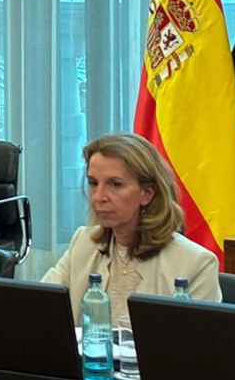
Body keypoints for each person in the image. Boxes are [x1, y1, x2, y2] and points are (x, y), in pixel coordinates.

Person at [42, 132, 221, 324]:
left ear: (147, 193)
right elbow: (40, 309)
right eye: (93, 183)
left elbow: (195, 341)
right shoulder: (82, 242)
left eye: (115, 184)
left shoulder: (195, 263)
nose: (99, 197)